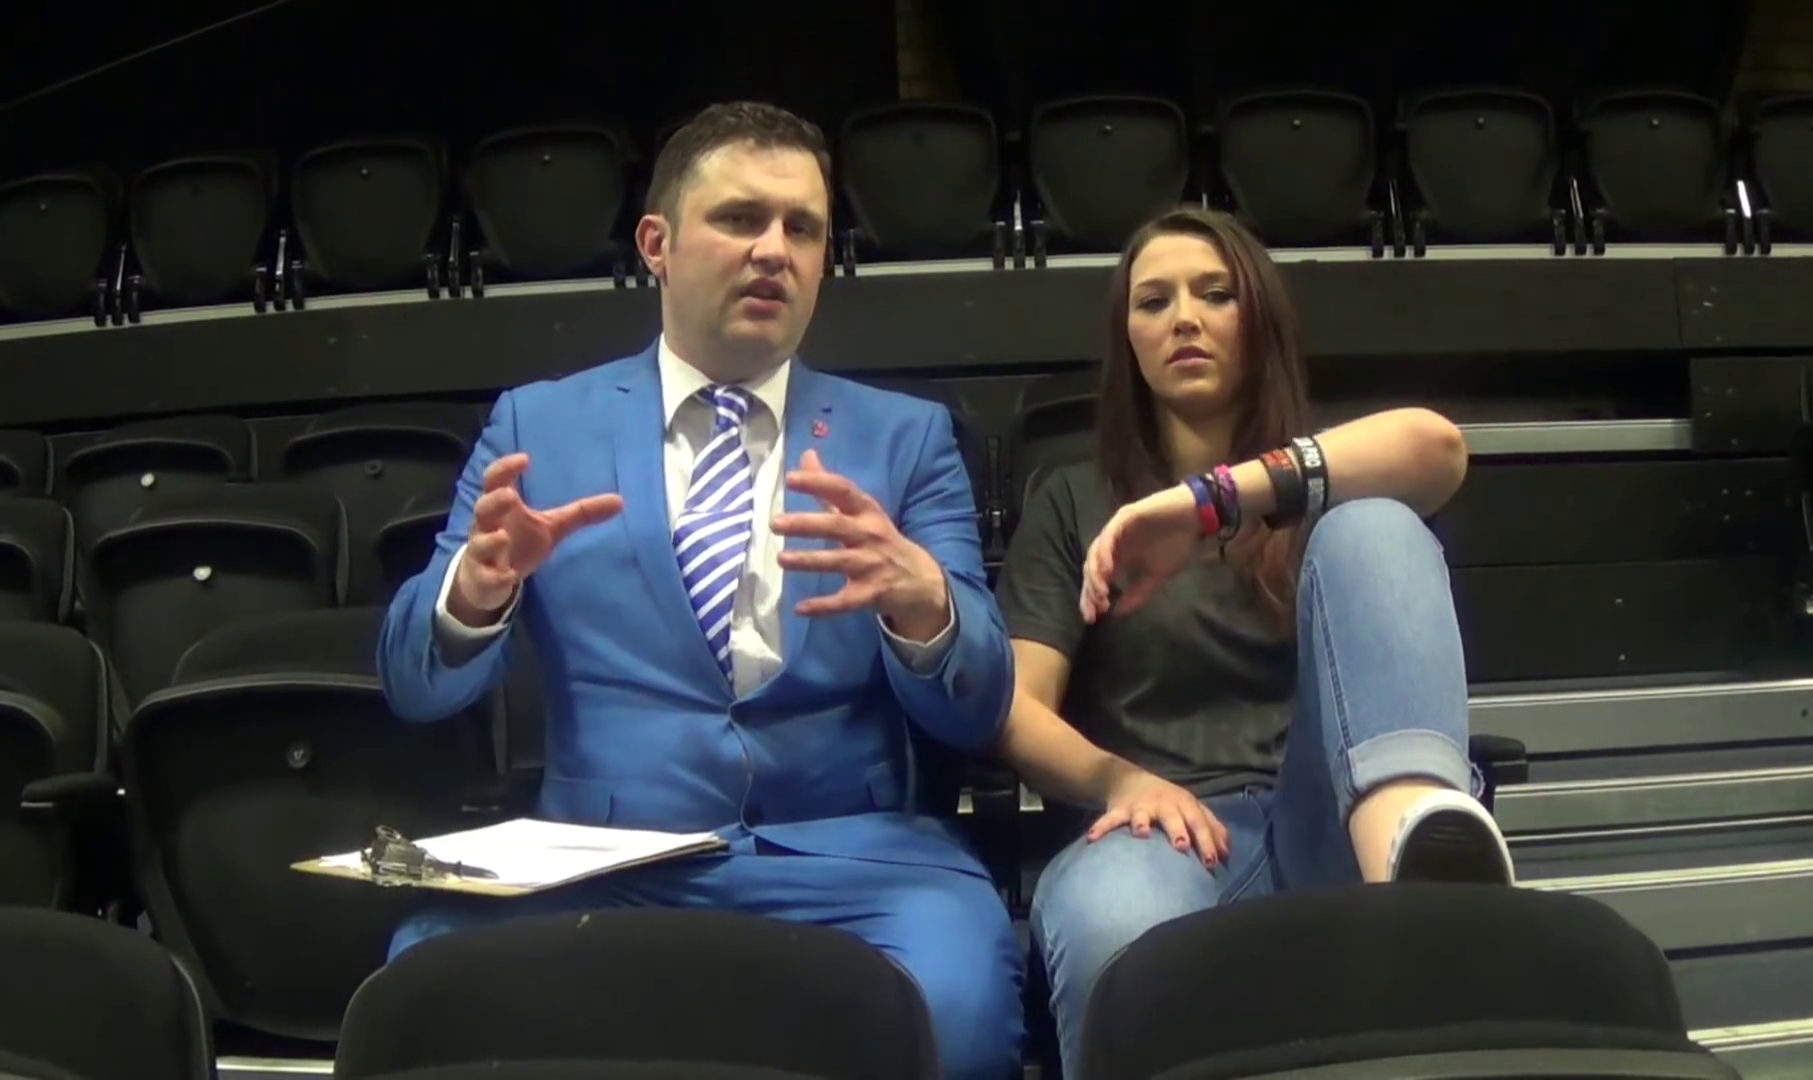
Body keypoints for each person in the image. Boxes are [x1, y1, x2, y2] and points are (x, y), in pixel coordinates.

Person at [377, 101, 1022, 1080]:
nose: (775, 250)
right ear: (658, 244)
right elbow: (413, 686)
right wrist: (473, 593)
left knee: (961, 1013)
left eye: (803, 228)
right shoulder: (537, 427)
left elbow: (976, 706)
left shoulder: (906, 438)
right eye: (740, 219)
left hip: (853, 865)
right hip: (600, 858)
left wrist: (926, 606)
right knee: (424, 980)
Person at [991, 206, 1516, 1079]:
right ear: (1127, 338)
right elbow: (1016, 709)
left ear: (1259, 319)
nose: (1184, 319)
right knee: (1112, 926)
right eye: (1153, 302)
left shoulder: (1322, 473)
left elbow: (1438, 447)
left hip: (1331, 820)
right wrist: (1121, 780)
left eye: (1215, 294)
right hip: (1160, 828)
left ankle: (1414, 850)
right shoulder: (1074, 501)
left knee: (1375, 524)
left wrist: (1210, 503)